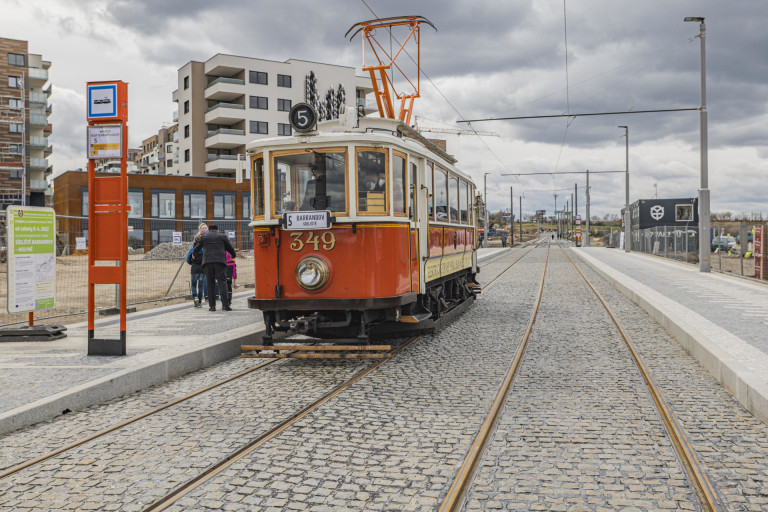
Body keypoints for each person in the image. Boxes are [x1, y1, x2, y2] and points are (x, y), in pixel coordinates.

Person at [193, 224, 236, 311]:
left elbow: (196, 248)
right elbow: (230, 248)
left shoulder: (204, 237)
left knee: (210, 283)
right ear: (217, 230)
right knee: (222, 283)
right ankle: (225, 305)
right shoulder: (222, 236)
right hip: (220, 262)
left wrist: (194, 255)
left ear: (208, 230)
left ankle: (212, 306)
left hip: (207, 262)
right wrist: (233, 255)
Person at [186, 232, 205, 308]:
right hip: (203, 270)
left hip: (194, 269)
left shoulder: (192, 250)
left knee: (193, 285)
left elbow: (188, 260)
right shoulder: (205, 250)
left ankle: (195, 298)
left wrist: (192, 262)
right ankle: (199, 302)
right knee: (201, 286)